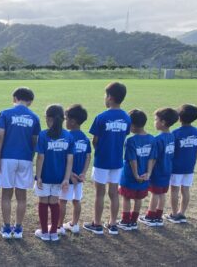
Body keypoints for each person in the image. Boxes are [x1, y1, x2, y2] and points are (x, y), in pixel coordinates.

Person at [84, 82, 131, 235]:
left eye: (105, 96)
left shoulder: (101, 117)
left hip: (102, 160)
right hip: (117, 161)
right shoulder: (126, 117)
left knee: (99, 193)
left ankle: (97, 224)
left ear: (110, 97)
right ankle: (112, 224)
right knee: (114, 193)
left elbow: (95, 140)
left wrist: (99, 149)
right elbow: (123, 136)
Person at [0, 87, 41, 239]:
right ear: (30, 101)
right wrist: (30, 155)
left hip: (7, 157)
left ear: (14, 98)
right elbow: (35, 140)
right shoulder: (34, 117)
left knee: (6, 195)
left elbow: (0, 135)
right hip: (25, 158)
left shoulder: (5, 113)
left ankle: (7, 228)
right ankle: (19, 228)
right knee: (22, 196)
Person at [34, 105, 74, 242]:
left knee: (43, 202)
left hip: (45, 176)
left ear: (49, 119)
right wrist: (66, 179)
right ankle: (54, 233)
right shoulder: (68, 135)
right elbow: (70, 160)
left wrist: (38, 176)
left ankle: (45, 232)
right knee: (54, 202)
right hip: (59, 177)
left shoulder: (43, 135)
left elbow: (40, 157)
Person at [139, 108, 179, 227]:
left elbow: (154, 158)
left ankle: (150, 216)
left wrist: (149, 171)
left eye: (156, 120)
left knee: (155, 194)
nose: (154, 122)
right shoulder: (172, 136)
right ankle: (158, 216)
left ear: (163, 122)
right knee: (162, 193)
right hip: (167, 170)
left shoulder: (158, 139)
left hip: (158, 171)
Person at [117, 109, 156, 231]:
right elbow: (152, 158)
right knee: (139, 199)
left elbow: (132, 160)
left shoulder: (130, 140)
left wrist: (136, 175)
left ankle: (125, 220)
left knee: (127, 198)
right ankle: (134, 221)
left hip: (130, 176)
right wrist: (148, 173)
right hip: (145, 176)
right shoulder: (152, 139)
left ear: (132, 125)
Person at [168, 105, 197, 223]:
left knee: (174, 190)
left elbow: (171, 151)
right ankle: (182, 213)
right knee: (185, 190)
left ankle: (174, 214)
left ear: (179, 117)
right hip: (189, 167)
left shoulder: (175, 133)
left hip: (176, 167)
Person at [58, 104, 91, 235]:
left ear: (72, 121)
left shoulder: (66, 136)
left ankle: (59, 226)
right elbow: (88, 157)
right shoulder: (85, 138)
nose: (65, 121)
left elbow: (63, 158)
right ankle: (74, 224)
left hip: (69, 177)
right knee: (77, 201)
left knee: (62, 201)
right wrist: (83, 173)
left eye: (66, 119)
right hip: (79, 178)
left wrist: (70, 174)